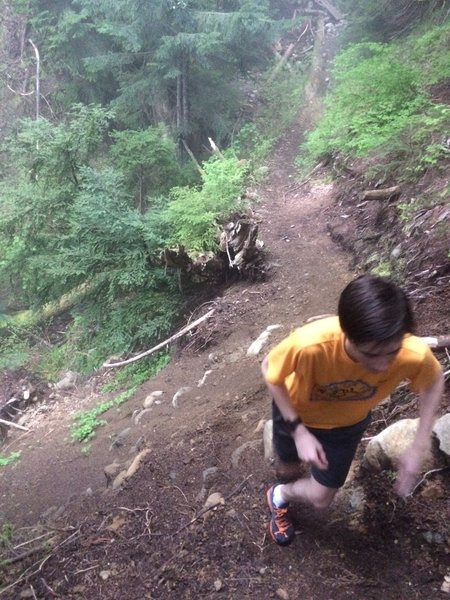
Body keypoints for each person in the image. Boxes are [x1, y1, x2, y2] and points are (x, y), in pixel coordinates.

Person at [261, 274, 444, 546]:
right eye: (371, 355)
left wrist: (418, 446)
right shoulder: (312, 345)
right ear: (347, 334)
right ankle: (286, 481)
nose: (383, 366)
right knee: (287, 467)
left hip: (346, 427)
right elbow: (269, 369)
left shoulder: (410, 351)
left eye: (391, 353)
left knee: (322, 499)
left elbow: (433, 381)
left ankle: (279, 496)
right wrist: (299, 431)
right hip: (295, 415)